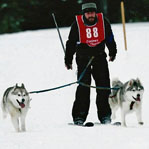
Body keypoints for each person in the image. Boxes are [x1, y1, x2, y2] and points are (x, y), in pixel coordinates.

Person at [65, 1, 117, 125]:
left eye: (92, 12)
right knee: (84, 87)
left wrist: (112, 52)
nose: (90, 15)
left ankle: (105, 116)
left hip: (99, 57)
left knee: (103, 86)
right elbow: (71, 43)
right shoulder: (76, 25)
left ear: (96, 12)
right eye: (88, 13)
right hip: (83, 58)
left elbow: (110, 38)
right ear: (84, 14)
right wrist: (68, 60)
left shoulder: (103, 22)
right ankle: (79, 116)